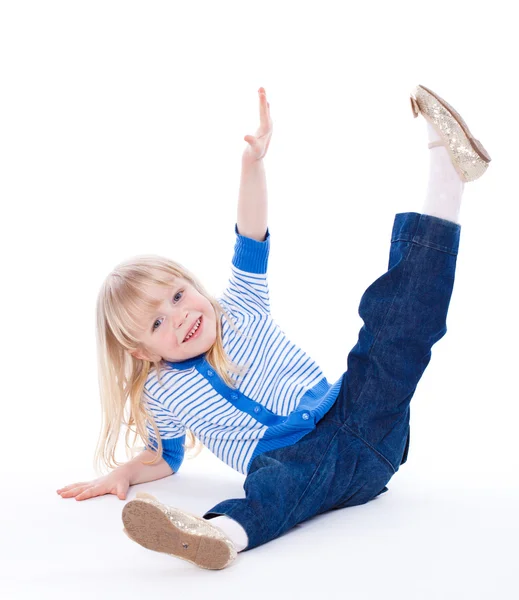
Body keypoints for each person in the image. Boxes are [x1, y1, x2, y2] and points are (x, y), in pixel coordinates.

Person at [57, 85, 491, 570]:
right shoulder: (160, 393)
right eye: (158, 321)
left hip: (359, 416)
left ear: (193, 287)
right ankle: (219, 535)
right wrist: (126, 472)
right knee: (272, 486)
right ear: (141, 352)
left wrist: (252, 163)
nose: (180, 316)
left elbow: (250, 229)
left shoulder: (240, 307)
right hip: (304, 468)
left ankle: (446, 173)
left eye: (178, 295)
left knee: (393, 330)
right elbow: (166, 456)